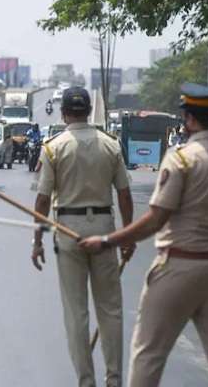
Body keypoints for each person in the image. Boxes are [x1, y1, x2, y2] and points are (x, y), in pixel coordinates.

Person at [79, 83, 208, 387]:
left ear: (190, 120)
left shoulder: (181, 159)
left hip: (181, 267)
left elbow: (157, 218)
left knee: (149, 353)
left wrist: (109, 241)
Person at [32, 87, 134, 387]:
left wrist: (37, 240)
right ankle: (114, 379)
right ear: (89, 111)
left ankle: (86, 381)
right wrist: (127, 236)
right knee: (110, 310)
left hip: (67, 231)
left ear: (63, 113)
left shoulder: (54, 147)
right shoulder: (111, 145)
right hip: (104, 229)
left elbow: (42, 201)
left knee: (76, 313)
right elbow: (125, 196)